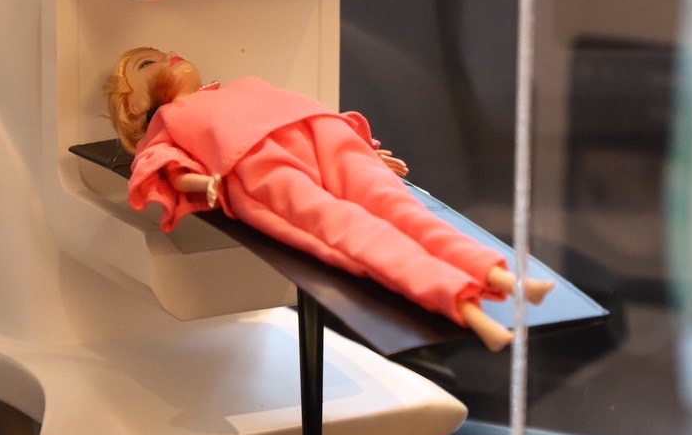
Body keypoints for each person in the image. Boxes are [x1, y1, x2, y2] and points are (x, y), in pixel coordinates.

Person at [105, 47, 552, 351]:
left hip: (323, 136)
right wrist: (206, 185)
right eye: (147, 64)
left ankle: (501, 275)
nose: (169, 56)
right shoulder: (169, 122)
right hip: (259, 166)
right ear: (135, 104)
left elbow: (293, 107)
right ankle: (469, 309)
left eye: (162, 52)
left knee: (401, 209)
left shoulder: (238, 87)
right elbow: (165, 167)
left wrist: (365, 150)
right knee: (350, 232)